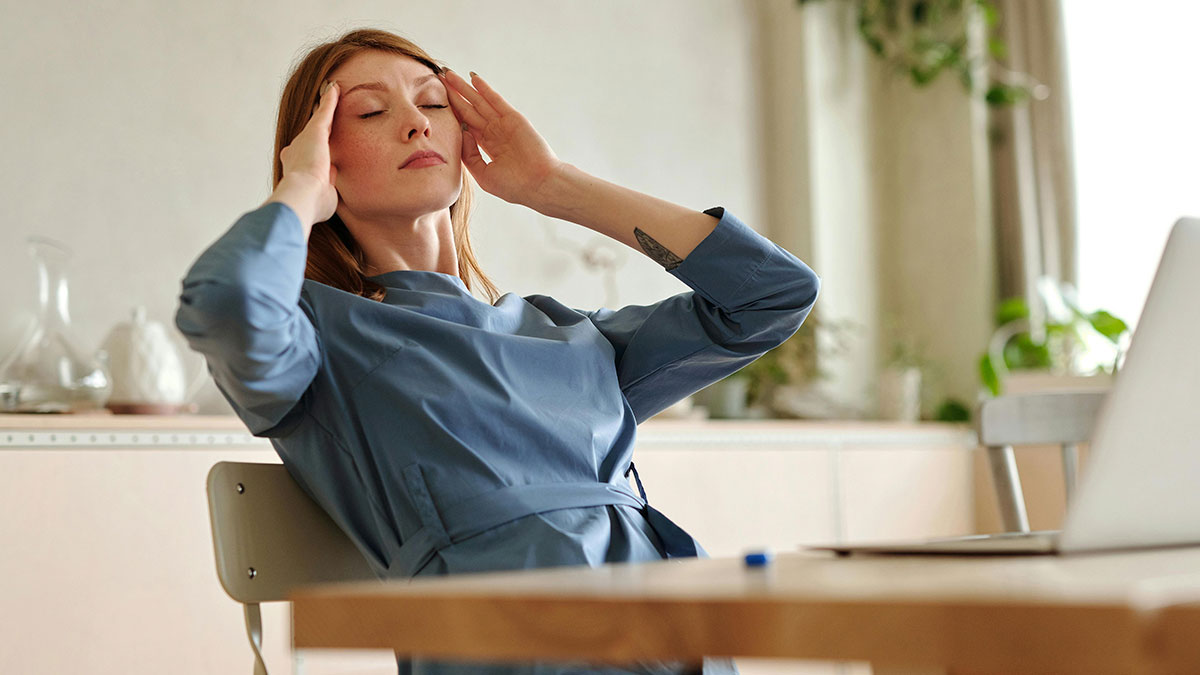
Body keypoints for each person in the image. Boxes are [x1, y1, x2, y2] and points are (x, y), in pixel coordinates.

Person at [176, 28, 819, 675]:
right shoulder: (318, 338)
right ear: (321, 154)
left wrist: (554, 185)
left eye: (433, 104)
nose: (415, 127)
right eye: (371, 111)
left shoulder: (563, 331)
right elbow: (224, 301)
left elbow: (773, 296)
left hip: (679, 641)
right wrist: (299, 192)